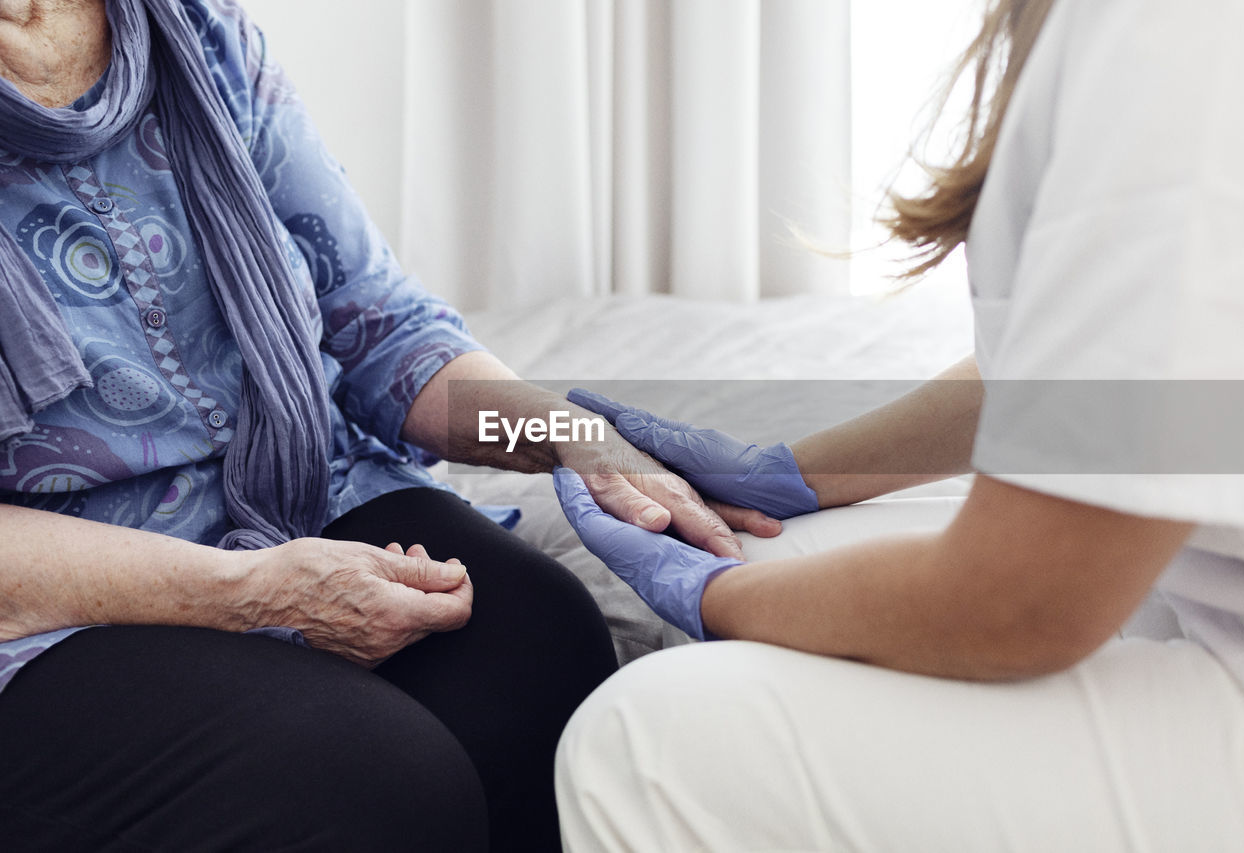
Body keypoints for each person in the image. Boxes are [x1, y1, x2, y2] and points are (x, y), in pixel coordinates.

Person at [0, 0, 747, 849]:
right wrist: (258, 594)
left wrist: (575, 439)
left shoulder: (196, 31)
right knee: (370, 783)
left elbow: (375, 321)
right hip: (50, 591)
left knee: (540, 652)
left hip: (290, 485)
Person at [552, 0, 1244, 849]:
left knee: (647, 744)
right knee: (763, 543)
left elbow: (1025, 600)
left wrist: (717, 596)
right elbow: (1096, 371)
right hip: (1221, 584)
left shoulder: (1189, 35)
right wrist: (790, 472)